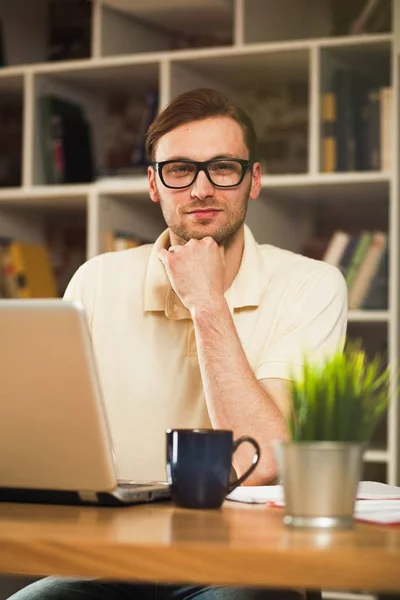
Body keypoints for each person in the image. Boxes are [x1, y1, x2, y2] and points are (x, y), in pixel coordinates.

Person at [8, 88, 347, 600]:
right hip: (113, 559)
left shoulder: (313, 285)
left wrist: (207, 302)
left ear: (253, 180)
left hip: (250, 564)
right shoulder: (96, 280)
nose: (201, 188)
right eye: (180, 170)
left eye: (223, 168)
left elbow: (265, 461)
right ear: (154, 184)